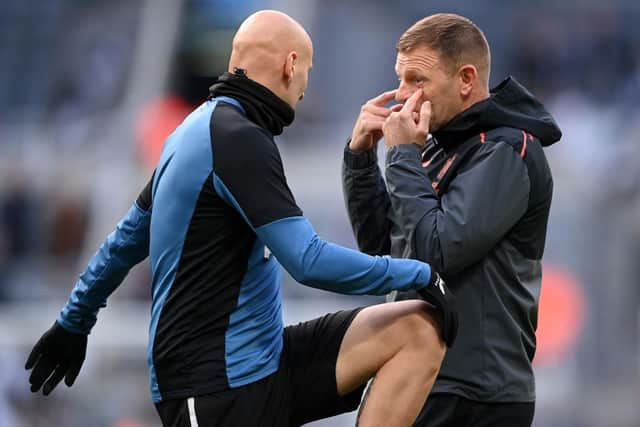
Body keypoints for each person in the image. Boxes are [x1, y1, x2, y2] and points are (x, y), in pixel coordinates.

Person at [24, 10, 458, 427]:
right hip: (211, 391)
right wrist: (419, 273)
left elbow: (123, 243)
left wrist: (73, 322)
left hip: (264, 365)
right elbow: (308, 261)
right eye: (307, 71)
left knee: (416, 329)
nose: (305, 90)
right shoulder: (237, 140)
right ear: (291, 65)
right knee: (417, 311)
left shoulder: (195, 132)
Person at [342, 13, 562, 427]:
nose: (403, 97)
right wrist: (359, 159)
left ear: (465, 79)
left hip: (475, 393)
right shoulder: (439, 148)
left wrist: (403, 155)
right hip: (425, 378)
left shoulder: (506, 149)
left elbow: (438, 252)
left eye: (417, 80)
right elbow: (385, 251)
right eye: (400, 79)